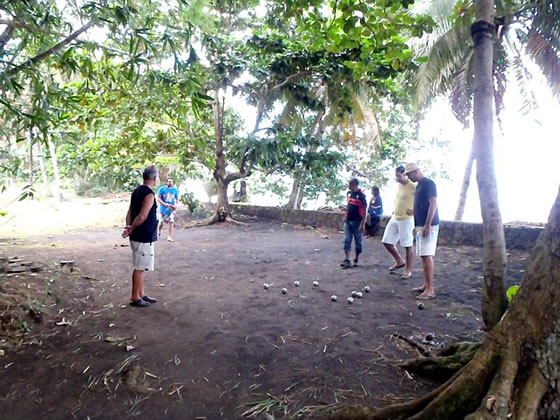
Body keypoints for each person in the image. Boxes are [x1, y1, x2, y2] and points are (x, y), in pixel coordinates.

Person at [121, 165, 159, 308]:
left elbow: (130, 212)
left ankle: (141, 294)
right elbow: (142, 216)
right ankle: (134, 297)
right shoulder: (149, 194)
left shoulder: (136, 191)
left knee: (142, 266)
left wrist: (129, 227)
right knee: (140, 267)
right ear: (155, 178)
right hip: (143, 235)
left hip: (138, 235)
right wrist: (132, 227)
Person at [404, 163, 439, 299]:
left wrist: (427, 225)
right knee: (423, 255)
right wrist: (417, 225)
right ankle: (426, 285)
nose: (409, 177)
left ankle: (430, 289)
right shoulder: (419, 185)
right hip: (420, 224)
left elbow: (433, 203)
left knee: (426, 255)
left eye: (409, 174)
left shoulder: (429, 183)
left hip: (428, 225)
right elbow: (420, 206)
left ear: (416, 171)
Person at [382, 166, 416, 279]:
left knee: (407, 245)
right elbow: (398, 199)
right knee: (386, 241)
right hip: (395, 217)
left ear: (405, 174)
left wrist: (415, 211)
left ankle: (408, 270)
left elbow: (423, 201)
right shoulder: (398, 186)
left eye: (399, 176)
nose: (397, 178)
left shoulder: (413, 186)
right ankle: (399, 261)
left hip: (406, 219)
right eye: (396, 176)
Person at [340, 178, 367, 269]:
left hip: (357, 221)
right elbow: (348, 205)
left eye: (350, 185)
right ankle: (346, 259)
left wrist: (363, 223)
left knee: (358, 241)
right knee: (347, 239)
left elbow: (364, 210)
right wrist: (345, 216)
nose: (349, 186)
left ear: (355, 185)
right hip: (348, 220)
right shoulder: (349, 194)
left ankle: (356, 259)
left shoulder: (361, 196)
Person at [157, 177, 179, 242]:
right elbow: (158, 198)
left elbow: (177, 199)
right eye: (169, 181)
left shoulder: (175, 190)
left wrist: (176, 205)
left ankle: (169, 236)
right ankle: (159, 231)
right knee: (161, 222)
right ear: (166, 182)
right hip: (162, 208)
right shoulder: (162, 189)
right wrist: (164, 204)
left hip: (171, 208)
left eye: (171, 182)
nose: (170, 183)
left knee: (171, 221)